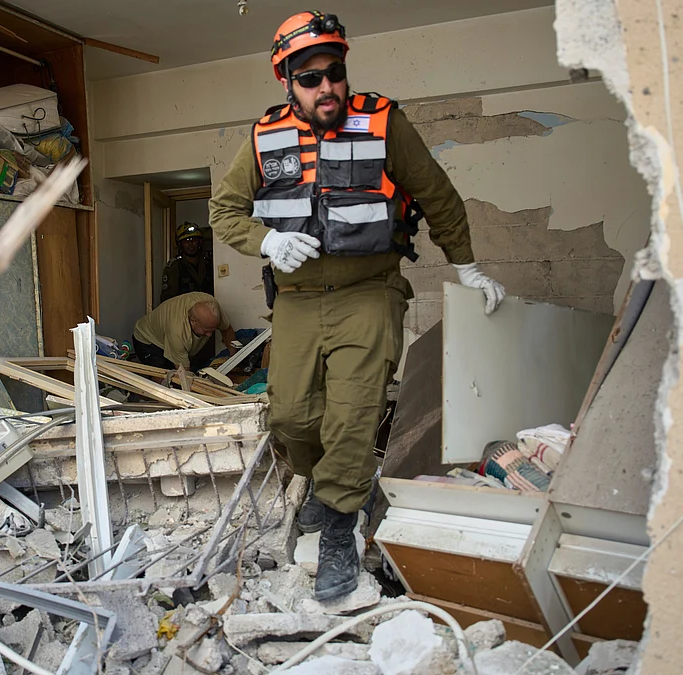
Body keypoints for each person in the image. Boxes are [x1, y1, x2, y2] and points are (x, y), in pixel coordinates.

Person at [209, 11, 505, 601]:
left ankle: (340, 527)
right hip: (295, 300)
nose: (327, 89)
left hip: (370, 293)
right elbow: (225, 211)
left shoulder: (383, 121)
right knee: (291, 417)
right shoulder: (264, 137)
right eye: (311, 79)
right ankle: (336, 485)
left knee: (352, 413)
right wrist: (265, 240)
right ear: (287, 83)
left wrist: (467, 265)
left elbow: (438, 195)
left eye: (334, 74)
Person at [132, 292, 238, 385]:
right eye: (206, 330)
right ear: (193, 321)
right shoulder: (177, 332)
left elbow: (227, 329)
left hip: (170, 336)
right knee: (163, 378)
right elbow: (184, 376)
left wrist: (234, 359)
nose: (209, 335)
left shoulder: (212, 306)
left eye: (213, 330)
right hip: (147, 339)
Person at [161, 222, 214, 303]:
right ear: (180, 244)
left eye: (194, 240)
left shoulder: (209, 263)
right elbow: (168, 299)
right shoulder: (175, 266)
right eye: (186, 241)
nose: (191, 244)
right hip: (183, 312)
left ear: (199, 242)